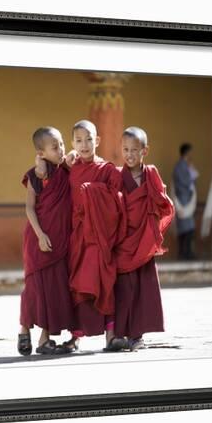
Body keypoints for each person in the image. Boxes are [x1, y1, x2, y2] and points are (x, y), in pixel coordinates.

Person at [35, 120, 127, 352]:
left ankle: (111, 335)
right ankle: (75, 337)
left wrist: (92, 192)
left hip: (100, 239)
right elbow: (50, 188)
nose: (84, 145)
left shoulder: (107, 169)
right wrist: (41, 164)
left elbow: (117, 201)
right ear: (73, 143)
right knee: (77, 286)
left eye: (88, 140)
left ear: (97, 141)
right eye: (78, 140)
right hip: (76, 238)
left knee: (104, 284)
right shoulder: (70, 168)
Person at [113, 126, 174, 351]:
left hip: (145, 240)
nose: (129, 154)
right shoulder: (118, 175)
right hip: (125, 240)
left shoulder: (151, 173)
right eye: (125, 149)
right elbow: (112, 206)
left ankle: (137, 335)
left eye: (134, 150)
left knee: (143, 288)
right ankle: (120, 333)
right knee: (124, 288)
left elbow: (162, 201)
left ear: (144, 151)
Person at [18, 126, 75, 355]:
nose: (61, 149)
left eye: (61, 144)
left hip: (60, 241)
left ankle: (44, 339)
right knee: (34, 288)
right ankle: (24, 330)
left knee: (54, 289)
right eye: (55, 147)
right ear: (41, 153)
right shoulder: (35, 175)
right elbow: (29, 209)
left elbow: (77, 155)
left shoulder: (65, 170)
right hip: (38, 239)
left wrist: (68, 158)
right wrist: (41, 235)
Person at [172, 142, 199, 260]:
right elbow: (185, 182)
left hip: (186, 200)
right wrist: (192, 178)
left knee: (188, 228)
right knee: (186, 229)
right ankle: (185, 254)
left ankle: (186, 253)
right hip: (183, 201)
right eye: (190, 152)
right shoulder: (180, 166)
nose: (192, 155)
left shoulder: (185, 165)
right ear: (186, 153)